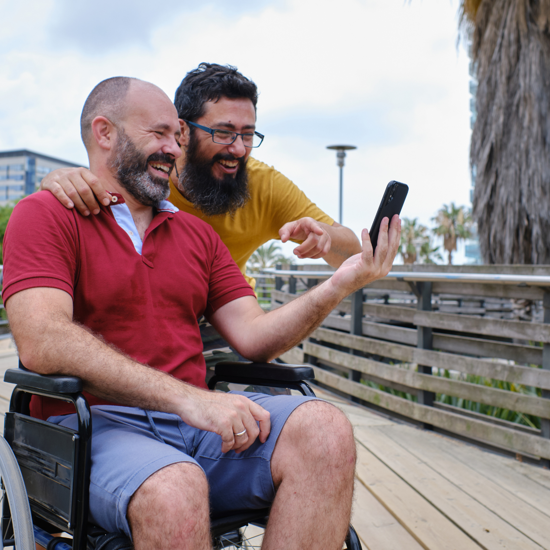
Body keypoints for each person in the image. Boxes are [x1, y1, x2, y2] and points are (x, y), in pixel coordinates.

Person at [4, 77, 400, 549]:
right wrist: (190, 400)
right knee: (176, 486)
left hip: (193, 427)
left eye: (177, 136)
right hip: (92, 428)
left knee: (325, 430)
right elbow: (43, 340)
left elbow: (253, 336)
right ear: (105, 132)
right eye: (159, 134)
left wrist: (338, 284)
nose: (173, 149)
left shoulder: (197, 236)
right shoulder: (45, 214)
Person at [41, 63, 362, 292]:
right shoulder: (149, 176)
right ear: (182, 131)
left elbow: (355, 252)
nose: (238, 149)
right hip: (155, 321)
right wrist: (56, 180)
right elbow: (101, 178)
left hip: (227, 322)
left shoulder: (264, 185)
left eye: (248, 135)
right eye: (223, 133)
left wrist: (325, 239)